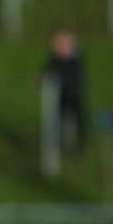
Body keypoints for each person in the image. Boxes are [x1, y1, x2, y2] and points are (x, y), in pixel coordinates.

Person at [41, 26, 88, 156]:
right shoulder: (56, 59)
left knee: (78, 121)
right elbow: (48, 70)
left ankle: (80, 146)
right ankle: (58, 145)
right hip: (61, 95)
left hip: (74, 93)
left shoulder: (74, 58)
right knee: (59, 121)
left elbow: (70, 75)